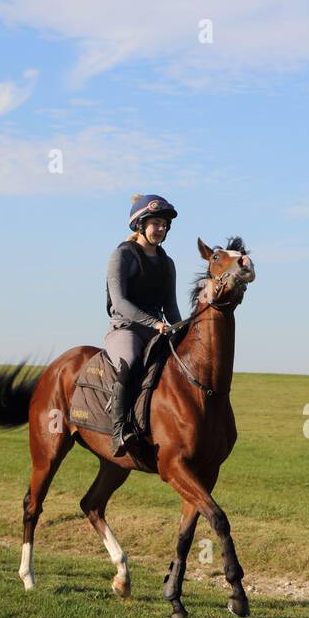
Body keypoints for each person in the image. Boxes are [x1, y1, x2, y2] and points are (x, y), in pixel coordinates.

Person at [104, 194, 182, 455]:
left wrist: (182, 327)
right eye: (155, 223)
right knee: (129, 362)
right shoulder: (122, 256)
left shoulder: (167, 263)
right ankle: (119, 432)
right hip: (125, 328)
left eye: (163, 224)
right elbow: (120, 301)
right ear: (140, 225)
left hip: (157, 328)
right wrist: (154, 322)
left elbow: (170, 306)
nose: (161, 229)